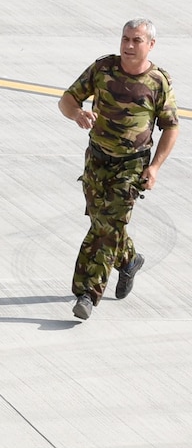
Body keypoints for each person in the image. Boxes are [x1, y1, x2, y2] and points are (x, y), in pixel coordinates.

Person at [61, 19, 176, 321]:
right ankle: (129, 260)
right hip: (97, 159)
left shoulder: (158, 81)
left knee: (106, 227)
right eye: (125, 38)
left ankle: (87, 293)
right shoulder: (102, 69)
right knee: (104, 222)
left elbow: (171, 127)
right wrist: (76, 114)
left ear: (150, 45)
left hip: (132, 165)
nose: (128, 45)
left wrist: (155, 168)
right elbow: (66, 100)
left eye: (136, 40)